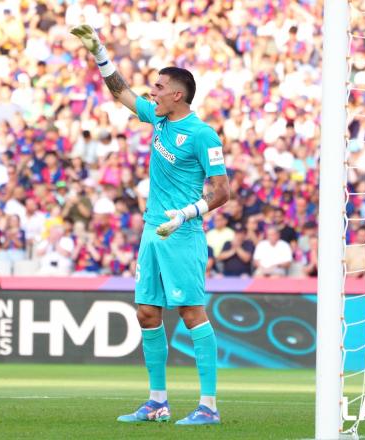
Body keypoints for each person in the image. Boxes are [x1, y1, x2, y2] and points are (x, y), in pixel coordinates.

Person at [72, 25, 230, 425]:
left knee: (192, 313)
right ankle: (157, 402)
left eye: (158, 87)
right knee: (146, 312)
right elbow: (121, 93)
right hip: (151, 232)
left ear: (177, 94)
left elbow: (223, 191)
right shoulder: (158, 120)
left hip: (183, 232)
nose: (152, 93)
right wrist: (100, 53)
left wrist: (185, 215)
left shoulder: (201, 134)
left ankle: (208, 406)